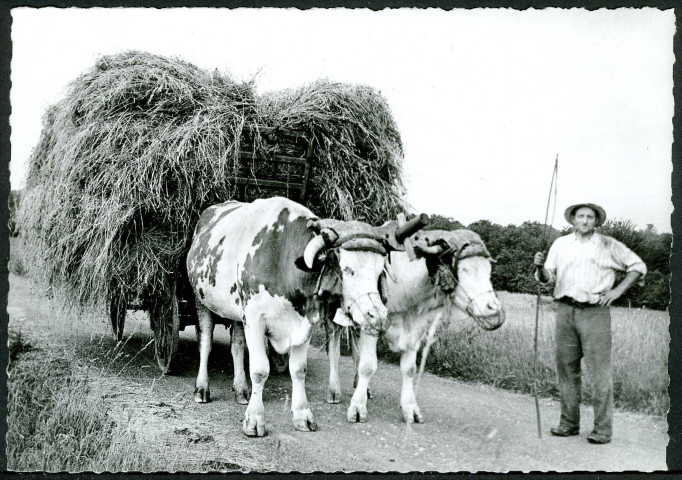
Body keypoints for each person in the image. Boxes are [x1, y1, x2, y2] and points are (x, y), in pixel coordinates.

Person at [533, 202, 646, 444]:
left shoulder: (608, 245)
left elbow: (637, 267)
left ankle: (603, 430)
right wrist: (540, 267)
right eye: (580, 216)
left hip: (595, 312)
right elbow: (546, 278)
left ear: (596, 221)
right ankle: (568, 423)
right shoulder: (560, 244)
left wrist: (617, 292)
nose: (584, 220)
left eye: (590, 217)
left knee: (599, 373)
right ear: (572, 220)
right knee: (566, 370)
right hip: (565, 310)